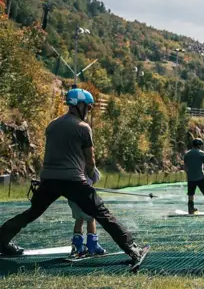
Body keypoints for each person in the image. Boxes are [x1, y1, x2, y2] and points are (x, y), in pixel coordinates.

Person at [0, 88, 147, 267]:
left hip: (49, 179)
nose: (89, 111)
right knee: (102, 214)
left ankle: (2, 241)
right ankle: (132, 248)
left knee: (31, 213)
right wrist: (92, 176)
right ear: (80, 105)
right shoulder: (83, 128)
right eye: (89, 107)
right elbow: (90, 160)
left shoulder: (52, 125)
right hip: (74, 180)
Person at [68, 171, 106, 257]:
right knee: (91, 218)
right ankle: (92, 245)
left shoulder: (71, 163)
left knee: (79, 219)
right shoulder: (87, 161)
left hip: (71, 194)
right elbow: (96, 177)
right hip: (85, 193)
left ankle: (78, 247)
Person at [183, 138, 204, 214]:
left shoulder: (187, 154)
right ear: (200, 145)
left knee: (191, 194)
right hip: (201, 177)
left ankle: (191, 209)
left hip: (191, 178)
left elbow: (185, 167)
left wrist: (189, 173)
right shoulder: (202, 153)